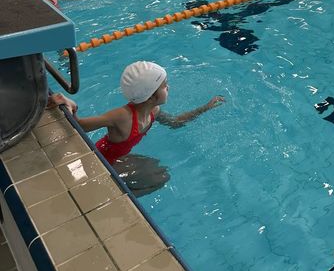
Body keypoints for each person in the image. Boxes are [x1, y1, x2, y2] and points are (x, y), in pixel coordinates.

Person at [75, 61, 225, 187]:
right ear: (151, 95)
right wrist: (70, 106)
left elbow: (176, 122)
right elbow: (80, 126)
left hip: (118, 157)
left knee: (159, 170)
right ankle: (114, 194)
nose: (168, 88)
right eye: (164, 86)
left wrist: (205, 107)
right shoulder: (122, 116)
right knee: (160, 179)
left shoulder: (154, 111)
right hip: (101, 161)